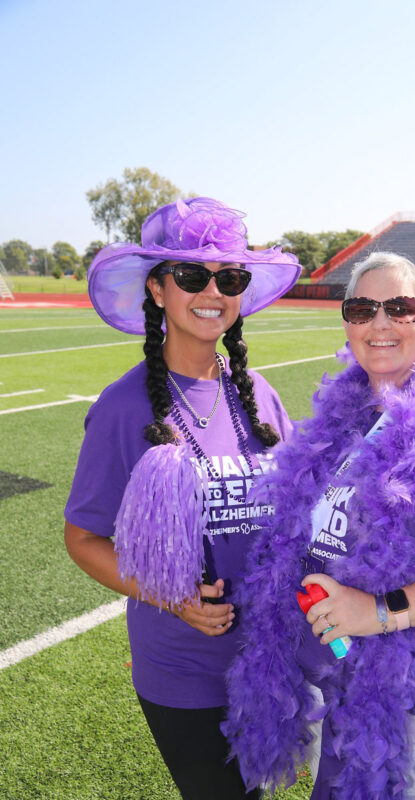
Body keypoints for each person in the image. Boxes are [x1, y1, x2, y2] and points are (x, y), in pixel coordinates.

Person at [224, 252, 415, 800]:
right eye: (363, 308)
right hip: (343, 694)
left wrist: (377, 613)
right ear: (348, 324)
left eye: (402, 307)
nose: (380, 323)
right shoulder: (343, 422)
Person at [64, 196, 301, 800]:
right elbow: (83, 539)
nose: (213, 290)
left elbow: (304, 506)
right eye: (193, 275)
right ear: (158, 290)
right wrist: (171, 598)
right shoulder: (122, 409)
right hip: (184, 672)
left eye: (230, 276)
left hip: (271, 661)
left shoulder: (262, 395)